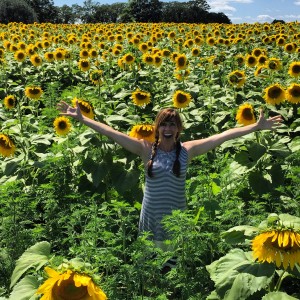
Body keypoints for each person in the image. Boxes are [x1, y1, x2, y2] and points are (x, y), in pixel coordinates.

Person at [57, 101, 283, 252]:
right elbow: (111, 132)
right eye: (163, 123)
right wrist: (83, 119)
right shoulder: (145, 149)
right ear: (157, 127)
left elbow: (223, 135)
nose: (167, 127)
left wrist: (255, 127)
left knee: (175, 268)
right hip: (151, 217)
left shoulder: (188, 150)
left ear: (178, 129)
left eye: (172, 124)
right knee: (151, 265)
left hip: (176, 220)